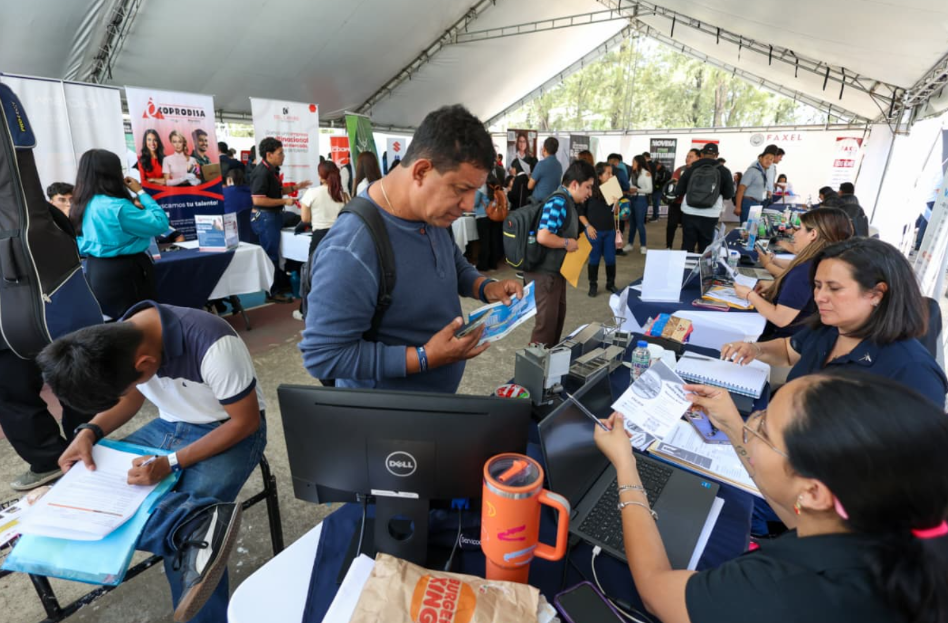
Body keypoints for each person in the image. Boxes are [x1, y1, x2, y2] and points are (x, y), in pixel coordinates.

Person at [594, 369, 948, 623]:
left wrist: (625, 465)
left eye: (762, 427)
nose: (751, 423)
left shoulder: (785, 590)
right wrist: (731, 423)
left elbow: (656, 592)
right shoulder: (886, 525)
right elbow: (798, 510)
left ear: (814, 491)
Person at [36, 301, 267, 623]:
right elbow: (131, 395)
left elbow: (246, 422)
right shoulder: (123, 338)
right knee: (86, 493)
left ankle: (195, 547)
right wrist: (89, 432)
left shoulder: (213, 344)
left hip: (229, 429)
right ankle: (191, 525)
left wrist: (170, 462)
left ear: (145, 363)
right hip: (170, 426)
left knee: (186, 543)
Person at [299, 105, 522, 393]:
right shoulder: (352, 247)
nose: (469, 204)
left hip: (433, 402)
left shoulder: (430, 212)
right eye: (460, 189)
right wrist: (423, 358)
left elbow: (451, 262)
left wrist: (485, 287)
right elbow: (323, 356)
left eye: (473, 191)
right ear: (421, 171)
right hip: (387, 413)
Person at [721, 237, 947, 407]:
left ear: (877, 294)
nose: (819, 297)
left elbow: (910, 454)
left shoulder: (913, 373)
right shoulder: (832, 327)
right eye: (817, 286)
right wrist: (756, 349)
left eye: (834, 288)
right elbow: (789, 351)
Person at [72, 149, 169, 319]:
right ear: (113, 173)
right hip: (125, 271)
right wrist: (141, 192)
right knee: (139, 320)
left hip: (95, 268)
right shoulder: (118, 207)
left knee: (114, 321)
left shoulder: (81, 204)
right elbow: (160, 223)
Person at [733, 208, 853, 340]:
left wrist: (749, 295)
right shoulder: (825, 263)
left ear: (813, 234)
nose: (794, 234)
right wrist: (779, 286)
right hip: (806, 337)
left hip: (783, 340)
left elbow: (780, 318)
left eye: (800, 229)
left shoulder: (803, 271)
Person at [525, 160, 595, 346]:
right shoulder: (558, 202)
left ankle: (547, 363)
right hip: (544, 275)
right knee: (545, 330)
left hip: (555, 274)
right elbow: (543, 236)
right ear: (574, 184)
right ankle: (535, 365)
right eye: (588, 187)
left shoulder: (567, 202)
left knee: (555, 323)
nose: (590, 193)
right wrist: (566, 243)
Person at [249, 137, 312, 303]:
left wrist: (295, 187)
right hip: (265, 217)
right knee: (271, 255)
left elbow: (275, 191)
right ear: (269, 154)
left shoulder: (271, 170)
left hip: (272, 216)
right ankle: (272, 292)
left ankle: (278, 286)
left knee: (275, 253)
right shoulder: (262, 173)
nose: (283, 156)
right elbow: (258, 200)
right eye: (280, 153)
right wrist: (284, 202)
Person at [297, 160, 350, 321]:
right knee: (339, 273)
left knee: (313, 274)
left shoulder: (312, 193)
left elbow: (305, 219)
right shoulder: (343, 195)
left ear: (320, 176)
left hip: (319, 237)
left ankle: (307, 310)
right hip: (340, 236)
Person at [676, 143, 734, 253]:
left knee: (687, 243)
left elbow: (679, 190)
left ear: (702, 154)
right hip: (711, 213)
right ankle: (702, 264)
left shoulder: (691, 169)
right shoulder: (724, 171)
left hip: (689, 211)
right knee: (706, 246)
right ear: (717, 155)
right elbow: (728, 194)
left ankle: (686, 263)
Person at [579, 162, 619, 297]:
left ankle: (610, 283)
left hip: (609, 231)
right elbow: (580, 213)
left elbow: (617, 213)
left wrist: (616, 203)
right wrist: (588, 226)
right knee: (594, 259)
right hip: (594, 232)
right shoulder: (589, 191)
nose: (611, 176)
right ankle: (593, 285)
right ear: (599, 176)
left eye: (612, 173)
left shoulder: (612, 189)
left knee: (610, 259)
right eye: (608, 173)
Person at [666, 148, 699, 249]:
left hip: (690, 205)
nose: (687, 158)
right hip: (676, 203)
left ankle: (685, 250)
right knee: (671, 226)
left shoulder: (700, 171)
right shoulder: (680, 170)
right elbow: (673, 183)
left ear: (698, 158)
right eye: (687, 156)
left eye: (691, 156)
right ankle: (668, 247)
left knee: (688, 229)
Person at [473, 174, 504, 272]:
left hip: (483, 216)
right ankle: (493, 264)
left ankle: (483, 265)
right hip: (495, 216)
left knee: (484, 242)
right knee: (494, 240)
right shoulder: (497, 186)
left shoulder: (481, 186)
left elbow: (475, 202)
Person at [734, 150, 773, 224]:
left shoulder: (763, 172)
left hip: (757, 204)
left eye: (771, 159)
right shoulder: (752, 171)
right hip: (749, 203)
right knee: (746, 227)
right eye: (767, 158)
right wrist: (738, 207)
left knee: (754, 227)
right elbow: (741, 189)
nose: (769, 161)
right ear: (760, 158)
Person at [626, 154, 652, 254]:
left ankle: (643, 245)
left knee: (640, 224)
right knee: (632, 223)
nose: (632, 164)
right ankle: (629, 244)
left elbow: (650, 189)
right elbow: (629, 184)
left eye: (634, 162)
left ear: (639, 163)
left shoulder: (646, 174)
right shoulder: (633, 173)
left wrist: (637, 190)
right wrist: (629, 190)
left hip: (641, 200)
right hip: (632, 199)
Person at [607, 153, 632, 255]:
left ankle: (607, 248)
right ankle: (618, 249)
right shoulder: (620, 172)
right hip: (619, 200)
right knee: (619, 225)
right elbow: (626, 186)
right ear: (617, 162)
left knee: (608, 225)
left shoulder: (600, 171)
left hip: (605, 201)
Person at [528, 137, 563, 201]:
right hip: (552, 201)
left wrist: (530, 177)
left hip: (538, 203)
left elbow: (530, 186)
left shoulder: (541, 164)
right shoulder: (559, 166)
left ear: (544, 149)